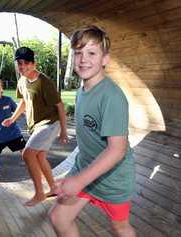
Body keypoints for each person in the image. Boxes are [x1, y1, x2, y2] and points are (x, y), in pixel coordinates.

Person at [48, 25, 136, 237]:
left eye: (91, 53)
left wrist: (78, 180)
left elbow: (117, 150)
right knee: (58, 218)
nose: (83, 59)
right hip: (85, 168)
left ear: (105, 59)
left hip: (113, 178)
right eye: (78, 53)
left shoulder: (112, 97)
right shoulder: (81, 91)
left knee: (120, 227)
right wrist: (76, 175)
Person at [2, 46, 69, 206]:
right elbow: (24, 102)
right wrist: (12, 118)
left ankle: (39, 193)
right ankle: (53, 187)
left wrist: (64, 131)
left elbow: (60, 106)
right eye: (20, 64)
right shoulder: (22, 81)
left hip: (50, 123)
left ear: (33, 63)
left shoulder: (44, 82)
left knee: (27, 154)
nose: (23, 67)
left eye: (26, 63)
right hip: (37, 125)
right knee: (39, 156)